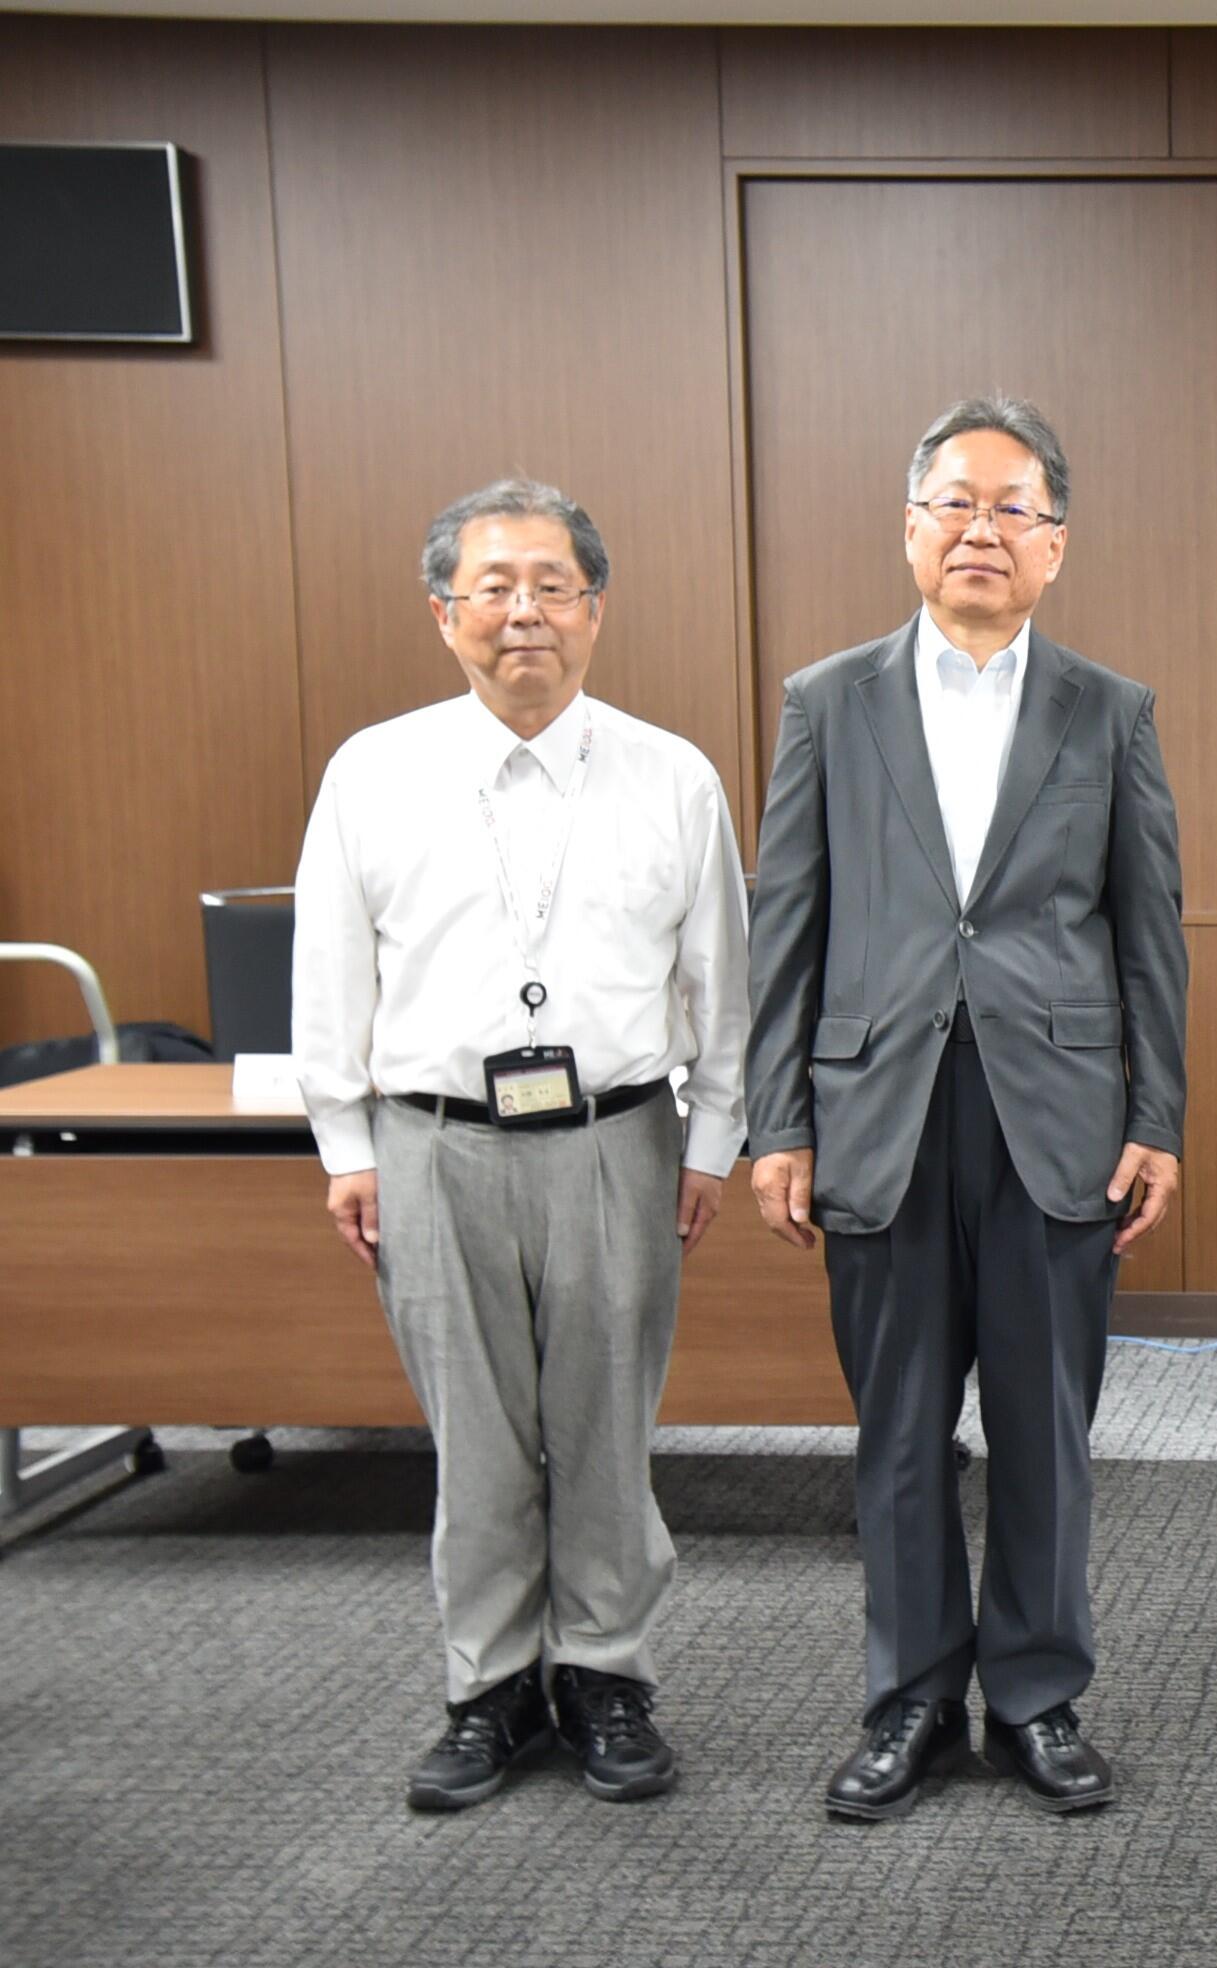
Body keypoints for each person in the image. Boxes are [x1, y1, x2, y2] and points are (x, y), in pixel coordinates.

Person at [745, 396, 1187, 1823]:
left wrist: (1158, 1114)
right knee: (899, 1428)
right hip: (878, 1113)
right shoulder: (830, 702)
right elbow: (787, 924)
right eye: (954, 502)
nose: (980, 530)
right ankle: (914, 1698)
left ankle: (1042, 1699)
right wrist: (777, 1120)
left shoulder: (1110, 711)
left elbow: (1148, 928)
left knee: (1049, 1427)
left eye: (1012, 509)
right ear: (911, 527)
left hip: (1055, 1116)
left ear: (1056, 545)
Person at [292, 478, 748, 1812]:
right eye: (491, 588)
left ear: (596, 609)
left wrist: (712, 1136)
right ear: (445, 615)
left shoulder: (673, 774)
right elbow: (329, 974)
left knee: (605, 1427)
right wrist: (343, 1142)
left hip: (619, 1140)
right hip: (431, 1144)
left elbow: (723, 976)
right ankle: (488, 1688)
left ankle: (605, 1673)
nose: (522, 613)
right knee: (479, 1438)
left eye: (552, 585)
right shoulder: (373, 770)